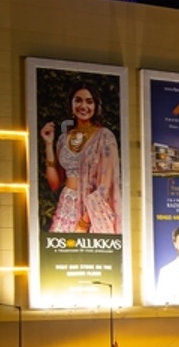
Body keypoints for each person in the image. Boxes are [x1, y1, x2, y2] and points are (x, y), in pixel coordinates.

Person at [41, 81, 121, 233]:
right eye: (78, 100)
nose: (83, 106)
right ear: (71, 104)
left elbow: (106, 185)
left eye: (89, 102)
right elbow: (54, 183)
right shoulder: (63, 139)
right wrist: (48, 144)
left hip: (90, 211)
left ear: (96, 106)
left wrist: (84, 222)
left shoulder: (104, 137)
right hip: (66, 206)